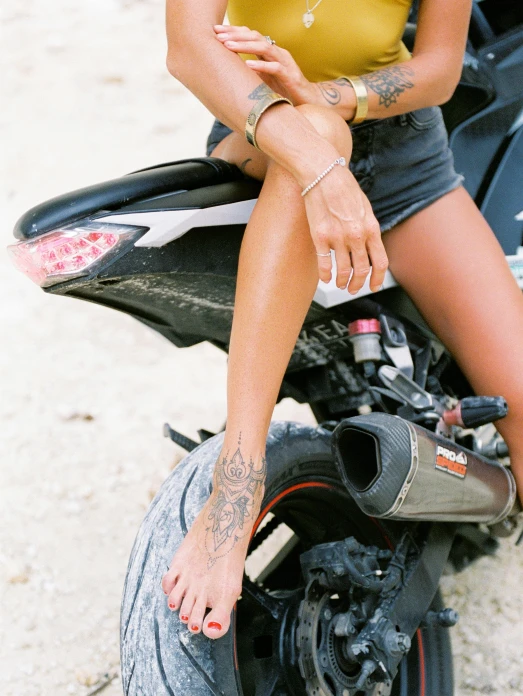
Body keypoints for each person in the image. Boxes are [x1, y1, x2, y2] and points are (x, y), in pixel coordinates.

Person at [161, 0, 523, 639]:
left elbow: (438, 69)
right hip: (268, 144)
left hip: (408, 162)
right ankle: (236, 483)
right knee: (320, 137)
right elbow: (190, 47)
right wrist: (316, 153)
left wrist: (329, 95)